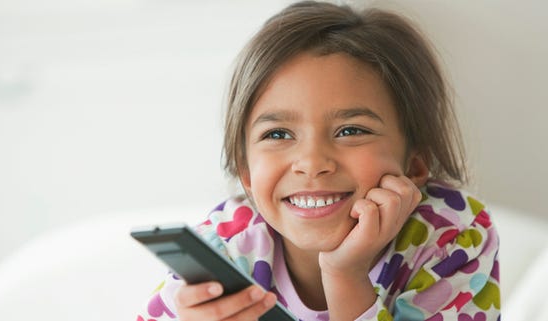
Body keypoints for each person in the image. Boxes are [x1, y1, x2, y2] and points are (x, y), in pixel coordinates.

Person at [136, 1, 500, 320]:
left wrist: (345, 275)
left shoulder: (452, 239)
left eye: (351, 131)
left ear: (417, 163)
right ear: (246, 173)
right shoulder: (223, 252)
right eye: (277, 134)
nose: (311, 163)